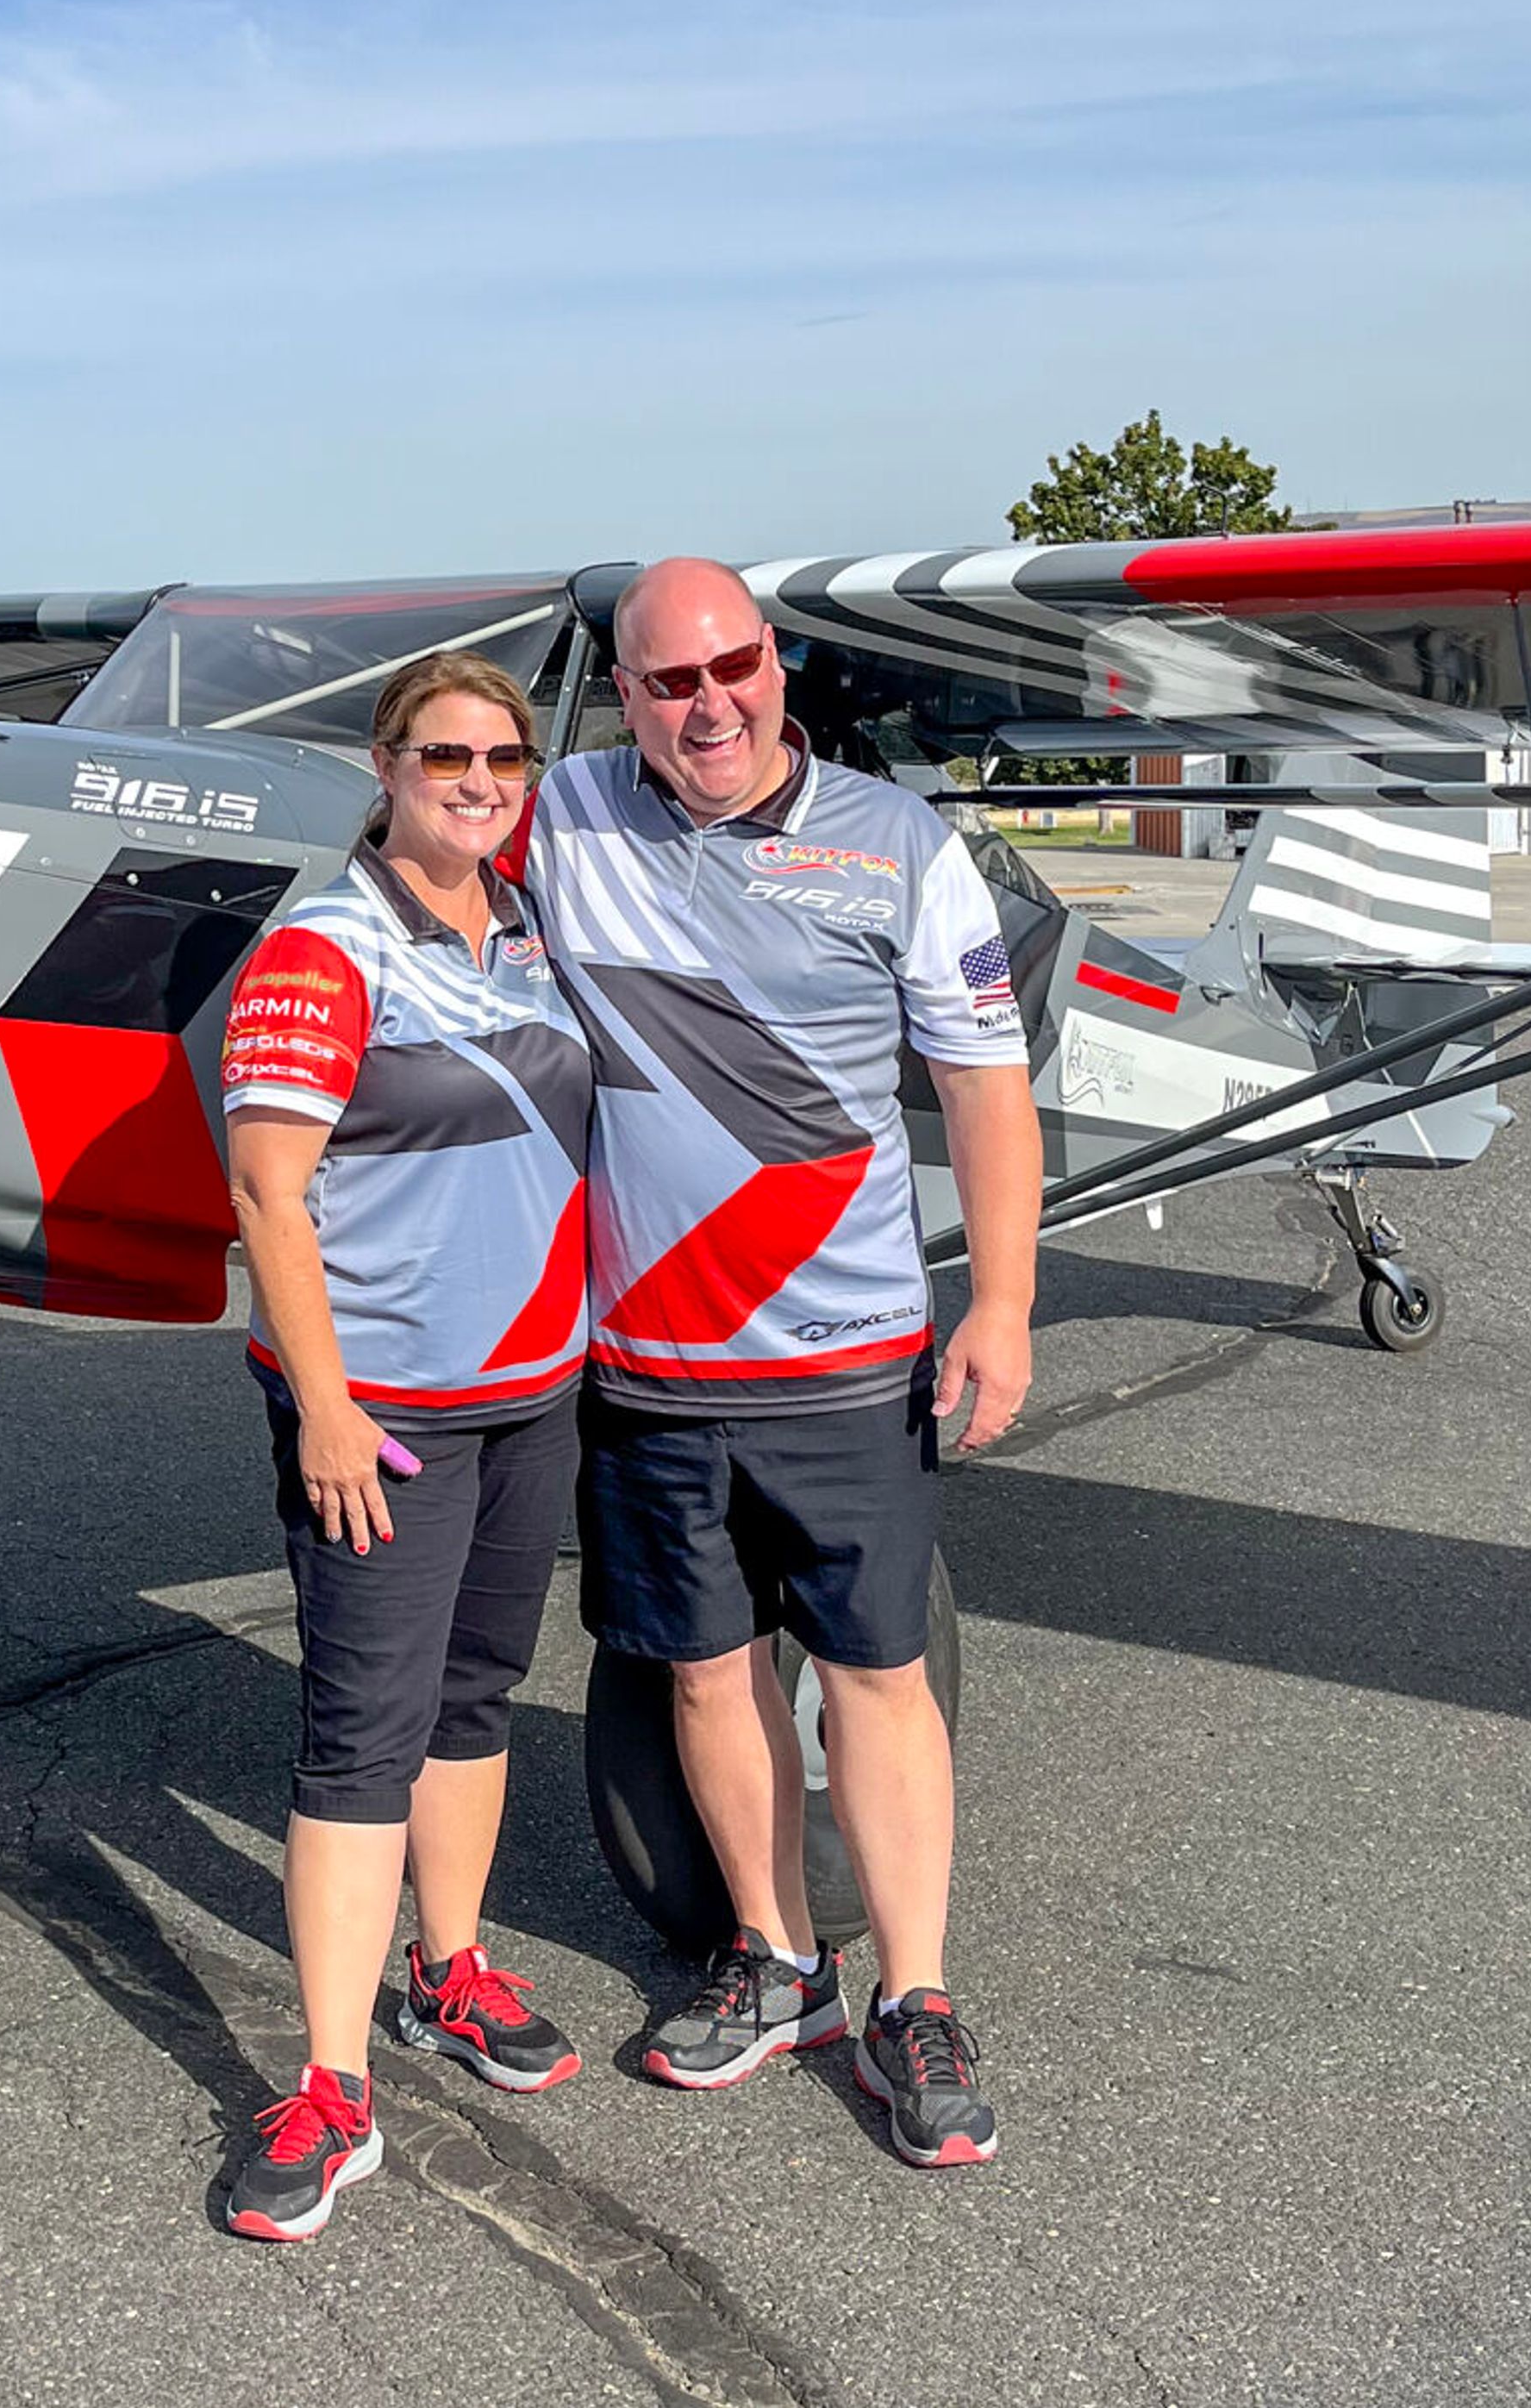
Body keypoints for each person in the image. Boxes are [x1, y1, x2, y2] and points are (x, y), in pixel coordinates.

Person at [509, 555, 1042, 2168]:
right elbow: (396, 868)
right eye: (668, 682)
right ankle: (778, 1961)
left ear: (777, 663)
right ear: (626, 696)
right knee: (704, 1666)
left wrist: (1003, 1303)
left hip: (843, 1349)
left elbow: (985, 1088)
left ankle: (920, 1994)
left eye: (734, 665)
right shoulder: (561, 815)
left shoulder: (898, 843)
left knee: (877, 1674)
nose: (709, 704)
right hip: (652, 1356)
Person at [214, 648, 596, 2242]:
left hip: (533, 1387)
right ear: (386, 764)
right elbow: (266, 1193)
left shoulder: (529, 932)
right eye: (447, 756)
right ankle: (329, 2079)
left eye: (506, 760)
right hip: (385, 1412)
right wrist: (327, 1405)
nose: (481, 783)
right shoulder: (323, 948)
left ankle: (451, 1968)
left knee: (474, 1694)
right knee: (359, 1734)